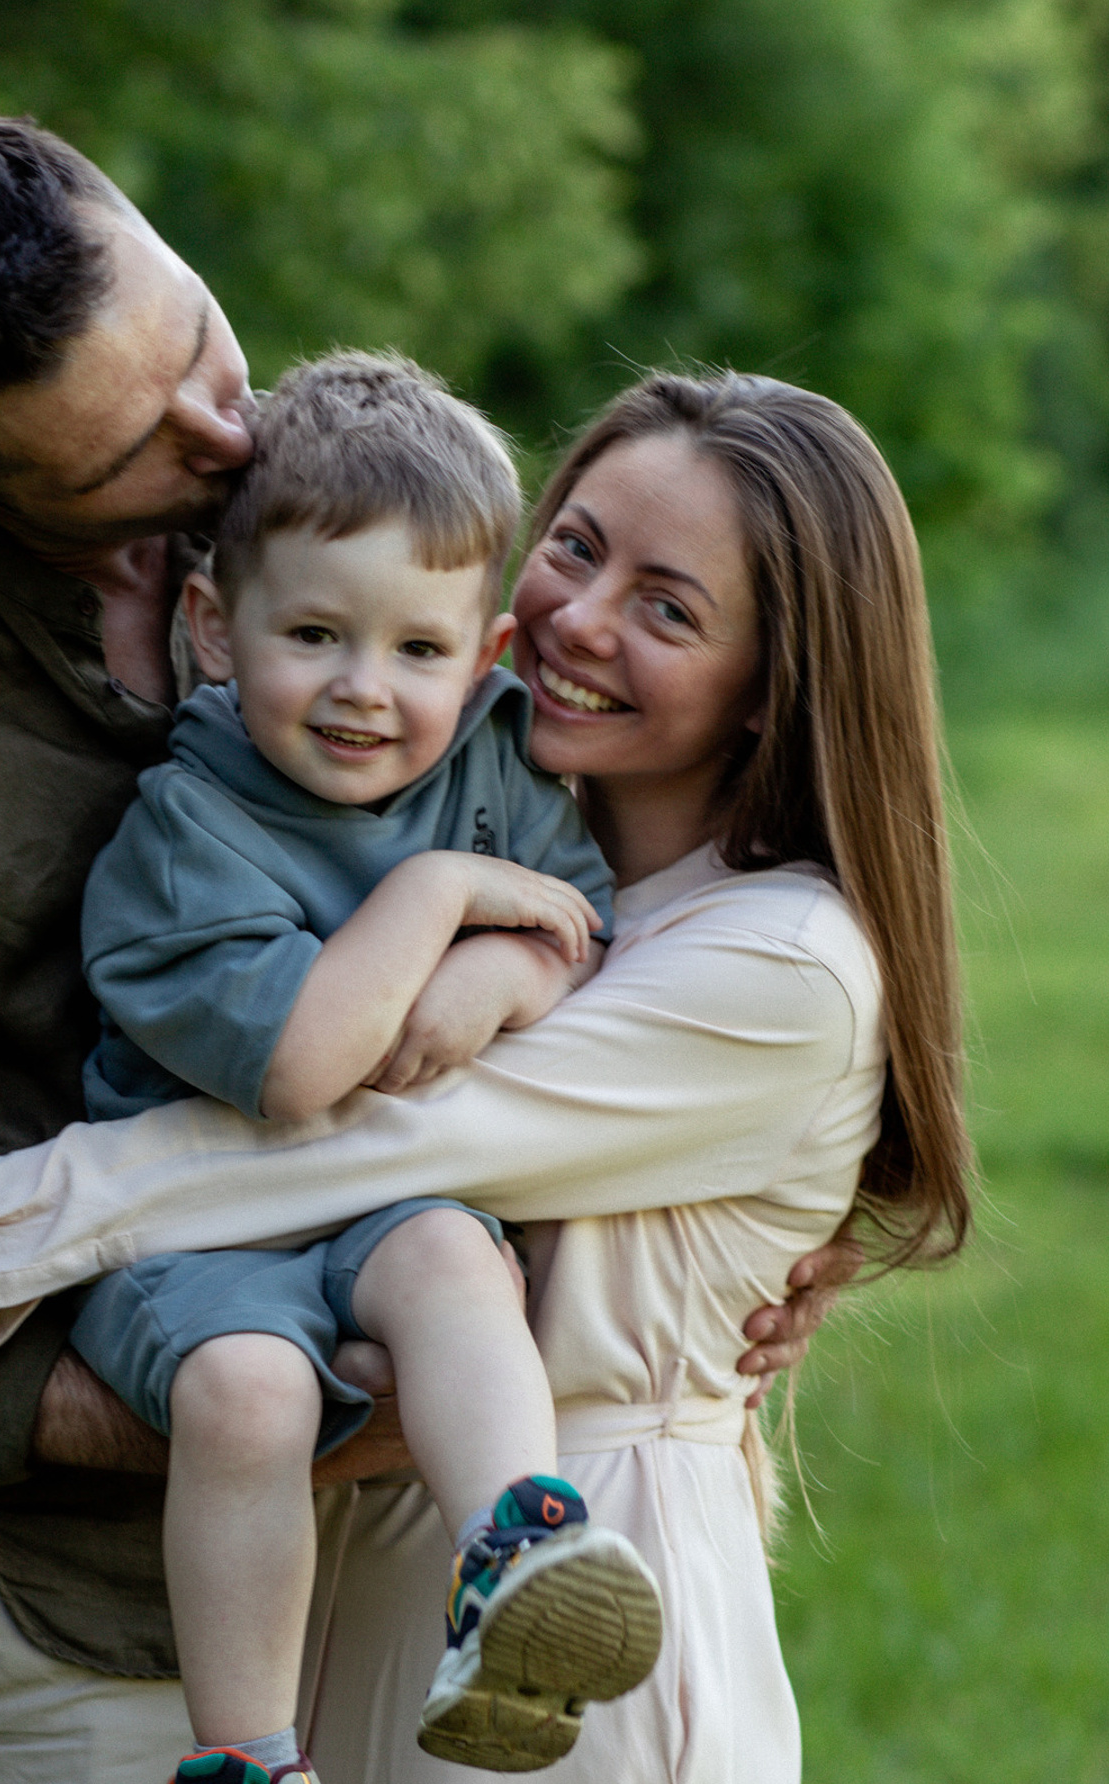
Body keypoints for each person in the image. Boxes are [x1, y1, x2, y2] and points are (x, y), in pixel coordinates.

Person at [0, 113, 841, 1784]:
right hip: (44, 1621)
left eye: (203, 342)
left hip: (379, 1581)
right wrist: (319, 1413)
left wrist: (749, 1241)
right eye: (125, 452)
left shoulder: (322, 500)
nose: (226, 437)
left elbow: (648, 907)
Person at [68, 348, 670, 1783]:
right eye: (316, 636)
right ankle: (247, 1758)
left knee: (461, 1272)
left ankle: (518, 1558)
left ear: (483, 661)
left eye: (417, 651)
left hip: (391, 1200)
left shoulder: (499, 760)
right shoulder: (183, 834)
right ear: (214, 626)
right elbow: (307, 1069)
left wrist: (511, 961)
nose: (363, 692)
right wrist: (444, 894)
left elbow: (575, 928)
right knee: (251, 1399)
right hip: (200, 1225)